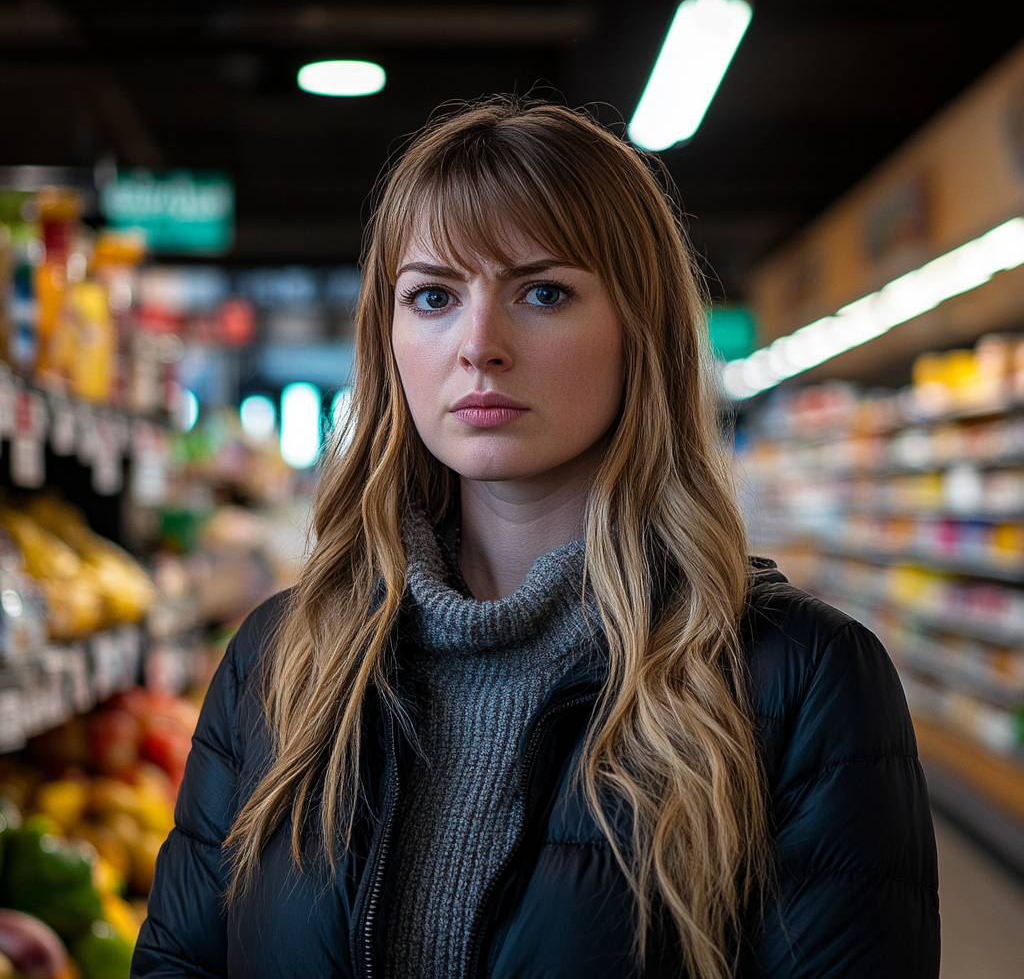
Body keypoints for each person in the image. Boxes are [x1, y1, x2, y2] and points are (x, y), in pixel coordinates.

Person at [132, 98, 939, 979]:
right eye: (433, 296)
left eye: (542, 292)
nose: (479, 344)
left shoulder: (801, 680)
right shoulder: (278, 661)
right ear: (388, 339)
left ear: (643, 329)